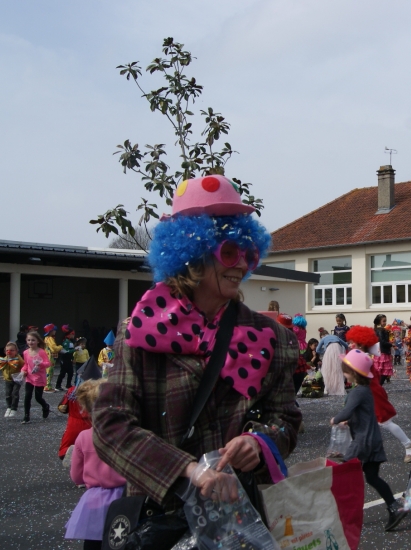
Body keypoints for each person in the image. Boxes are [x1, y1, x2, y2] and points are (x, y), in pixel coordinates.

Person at [93, 174, 300, 516]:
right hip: (165, 513)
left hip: (240, 515)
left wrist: (259, 443)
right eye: (229, 252)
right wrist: (187, 470)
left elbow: (287, 419)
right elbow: (109, 425)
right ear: (191, 254)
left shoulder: (272, 337)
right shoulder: (142, 332)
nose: (241, 265)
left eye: (248, 253)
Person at [331, 349, 408, 532]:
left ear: (353, 373)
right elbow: (362, 415)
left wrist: (335, 419)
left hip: (362, 442)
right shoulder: (366, 390)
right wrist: (349, 421)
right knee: (373, 477)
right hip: (373, 440)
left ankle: (343, 515)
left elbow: (347, 410)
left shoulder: (357, 392)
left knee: (343, 476)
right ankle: (393, 506)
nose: (344, 374)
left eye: (346, 371)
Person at [66, 380, 126, 550]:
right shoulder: (127, 435)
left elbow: (76, 477)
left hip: (94, 501)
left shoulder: (84, 437)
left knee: (93, 543)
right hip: (126, 498)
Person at [346, 326, 411, 463]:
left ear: (360, 344)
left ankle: (408, 444)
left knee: (385, 422)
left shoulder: (363, 358)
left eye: (351, 342)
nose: (349, 345)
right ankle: (353, 451)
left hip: (372, 394)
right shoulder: (361, 356)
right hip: (366, 393)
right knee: (360, 421)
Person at [20, 331, 51, 424]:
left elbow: (48, 363)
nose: (30, 342)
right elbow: (26, 364)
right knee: (27, 396)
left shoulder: (41, 352)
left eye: (33, 340)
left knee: (38, 398)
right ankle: (26, 416)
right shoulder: (25, 352)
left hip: (39, 378)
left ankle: (45, 406)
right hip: (29, 377)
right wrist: (23, 371)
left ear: (37, 341)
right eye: (29, 340)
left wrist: (40, 364)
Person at [0, 342, 24, 418]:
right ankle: (9, 407)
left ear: (16, 351)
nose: (9, 352)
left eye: (12, 350)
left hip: (17, 379)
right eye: (7, 350)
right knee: (8, 394)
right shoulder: (4, 359)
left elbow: (24, 366)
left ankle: (14, 408)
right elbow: (2, 368)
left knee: (15, 394)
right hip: (7, 379)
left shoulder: (19, 359)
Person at [373, 314, 394, 384]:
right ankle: (378, 386)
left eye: (385, 321)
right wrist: (391, 344)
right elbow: (383, 342)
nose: (385, 323)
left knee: (381, 371)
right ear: (379, 322)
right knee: (384, 372)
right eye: (384, 321)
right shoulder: (381, 330)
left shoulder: (377, 330)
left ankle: (378, 386)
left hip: (379, 352)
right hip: (383, 353)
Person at [55, 325, 75, 392]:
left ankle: (68, 384)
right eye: (72, 334)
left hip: (69, 360)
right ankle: (58, 385)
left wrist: (72, 358)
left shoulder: (70, 342)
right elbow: (66, 351)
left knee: (71, 372)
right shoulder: (66, 342)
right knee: (62, 373)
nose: (73, 335)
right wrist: (75, 350)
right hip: (64, 359)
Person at [42, 323, 61, 392]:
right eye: (54, 330)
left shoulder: (46, 338)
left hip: (48, 356)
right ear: (51, 331)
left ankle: (47, 386)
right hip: (50, 357)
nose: (55, 331)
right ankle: (47, 387)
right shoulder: (50, 338)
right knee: (49, 371)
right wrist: (60, 347)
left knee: (49, 371)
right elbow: (54, 348)